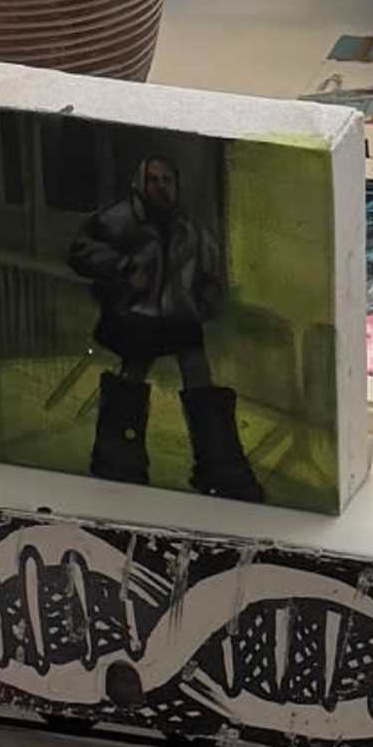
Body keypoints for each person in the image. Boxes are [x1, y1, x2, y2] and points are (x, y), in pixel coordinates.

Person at [63, 145, 261, 499]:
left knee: (200, 383)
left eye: (167, 180)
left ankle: (222, 468)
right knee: (131, 379)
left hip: (180, 316)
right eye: (153, 179)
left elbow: (209, 270)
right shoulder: (119, 218)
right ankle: (118, 461)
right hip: (138, 315)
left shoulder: (189, 226)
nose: (160, 186)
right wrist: (124, 268)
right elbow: (80, 251)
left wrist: (207, 300)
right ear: (139, 182)